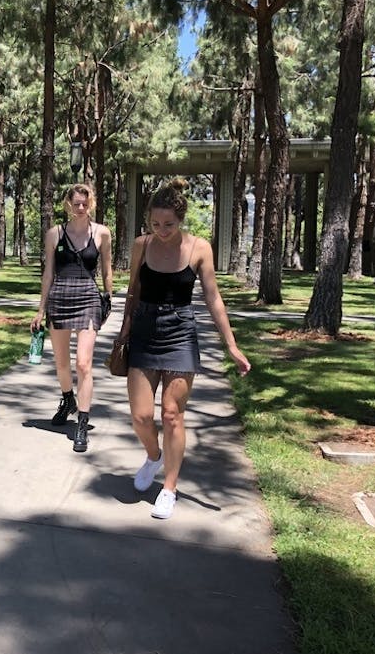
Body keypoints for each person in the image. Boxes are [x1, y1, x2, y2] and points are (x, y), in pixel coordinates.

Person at [119, 178, 251, 520]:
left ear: (181, 219)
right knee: (141, 416)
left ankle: (169, 488)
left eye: (169, 224)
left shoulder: (199, 248)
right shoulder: (141, 245)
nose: (162, 230)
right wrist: (124, 331)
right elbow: (133, 291)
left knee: (172, 415)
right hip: (145, 330)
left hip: (180, 331)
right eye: (156, 223)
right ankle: (153, 456)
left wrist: (231, 345)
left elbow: (213, 298)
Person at [31, 182, 113, 453]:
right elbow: (48, 274)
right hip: (60, 298)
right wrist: (41, 309)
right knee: (62, 364)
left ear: (91, 203)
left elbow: (107, 268)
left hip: (88, 298)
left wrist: (108, 297)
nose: (80, 208)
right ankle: (67, 399)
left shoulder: (102, 233)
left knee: (84, 364)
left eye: (84, 203)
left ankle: (82, 421)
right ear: (68, 204)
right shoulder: (54, 234)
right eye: (75, 203)